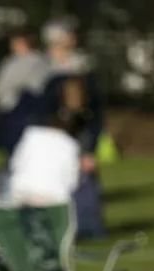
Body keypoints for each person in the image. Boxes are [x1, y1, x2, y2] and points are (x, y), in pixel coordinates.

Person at [39, 18, 106, 238]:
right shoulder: (45, 71)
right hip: (54, 135)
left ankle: (87, 226)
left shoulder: (83, 69)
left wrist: (91, 148)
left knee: (84, 180)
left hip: (81, 132)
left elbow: (96, 111)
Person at [0, 28, 50, 154]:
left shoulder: (32, 61)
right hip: (9, 108)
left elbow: (6, 83)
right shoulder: (15, 61)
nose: (12, 45)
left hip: (21, 109)